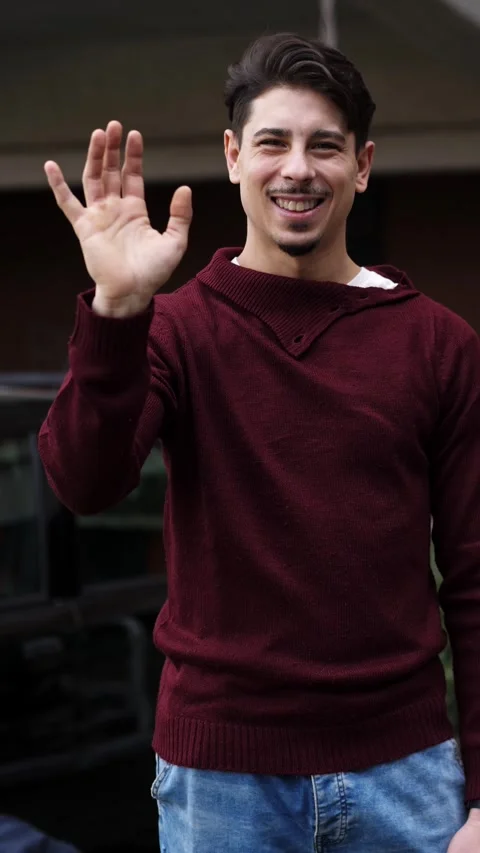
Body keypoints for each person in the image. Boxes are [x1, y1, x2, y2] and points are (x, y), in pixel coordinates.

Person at [38, 32, 480, 853]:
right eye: (273, 142)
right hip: (222, 785)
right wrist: (116, 313)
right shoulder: (173, 330)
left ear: (365, 164)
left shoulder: (439, 344)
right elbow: (83, 483)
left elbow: (477, 582)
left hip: (407, 773)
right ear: (235, 156)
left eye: (326, 146)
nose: (298, 169)